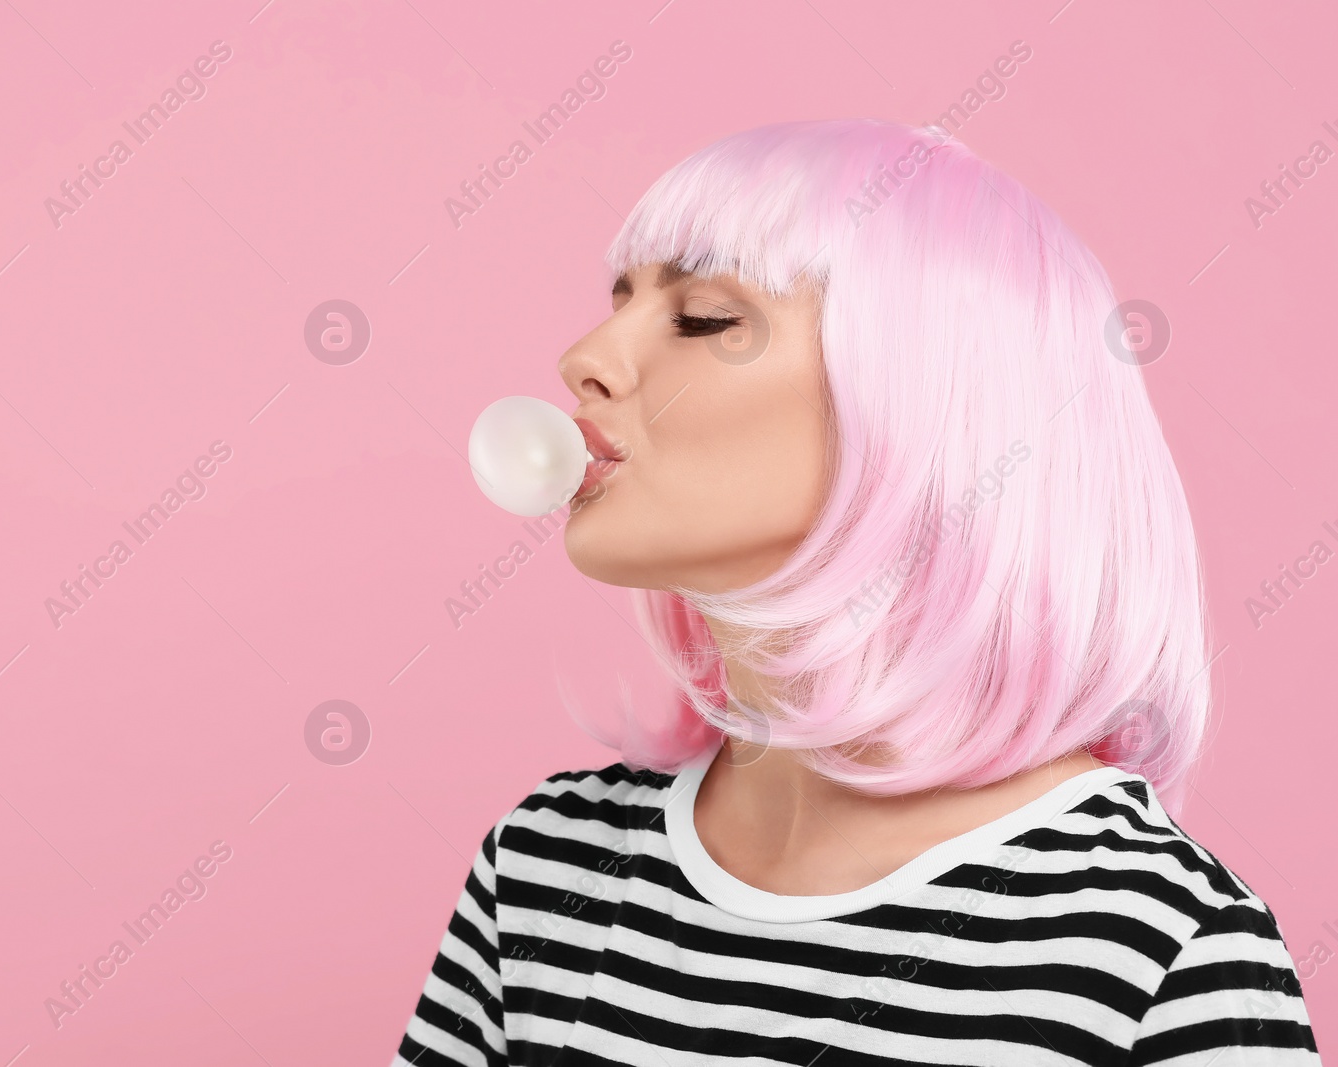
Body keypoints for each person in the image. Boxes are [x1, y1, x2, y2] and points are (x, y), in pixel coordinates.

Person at [392, 119, 1322, 1065]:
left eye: (705, 317)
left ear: (921, 407)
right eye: (620, 299)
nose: (584, 357)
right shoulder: (549, 869)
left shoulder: (1153, 944)